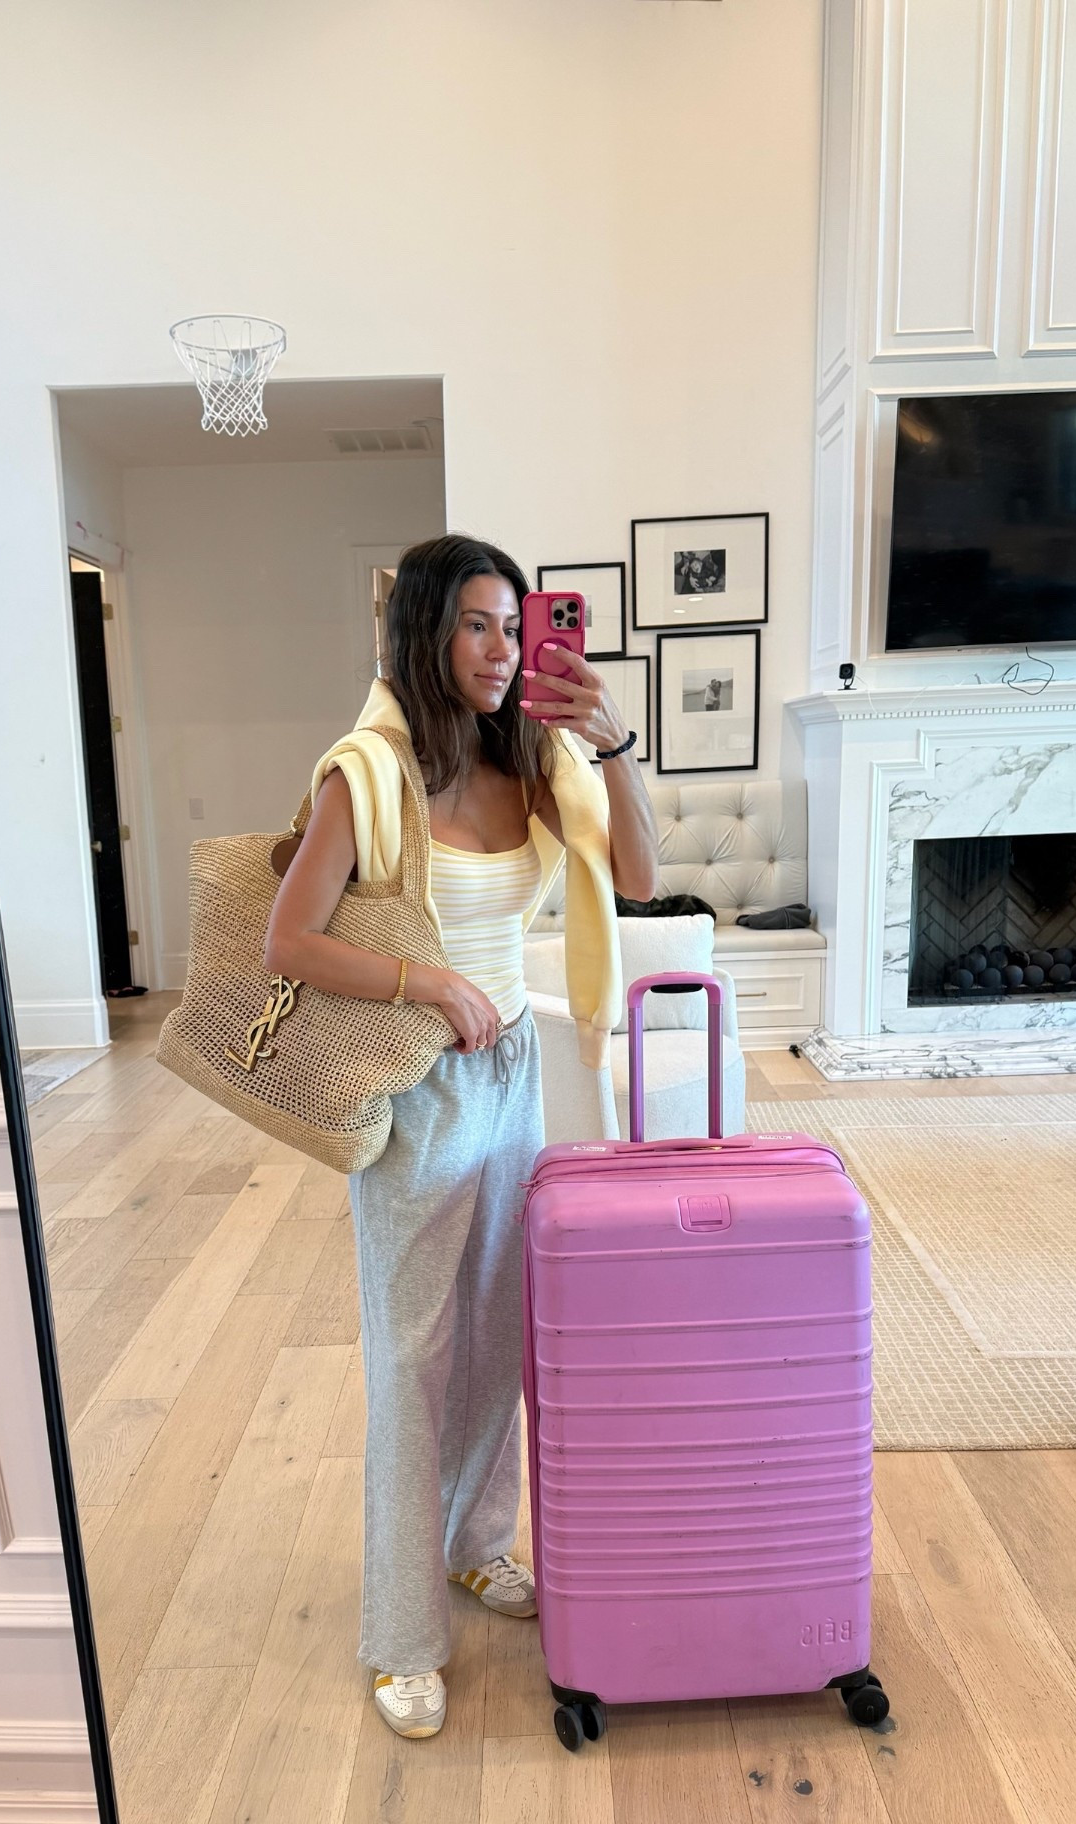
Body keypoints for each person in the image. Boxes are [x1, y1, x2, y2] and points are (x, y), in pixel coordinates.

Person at [264, 534, 658, 1738]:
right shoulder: (367, 771)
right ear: (427, 633)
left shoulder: (535, 759)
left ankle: (479, 1543)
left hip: (516, 1081)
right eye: (478, 626)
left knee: (499, 1331)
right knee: (411, 1355)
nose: (500, 652)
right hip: (417, 1085)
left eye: (515, 626)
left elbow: (639, 877)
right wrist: (427, 984)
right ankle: (399, 1635)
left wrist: (612, 740)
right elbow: (289, 939)